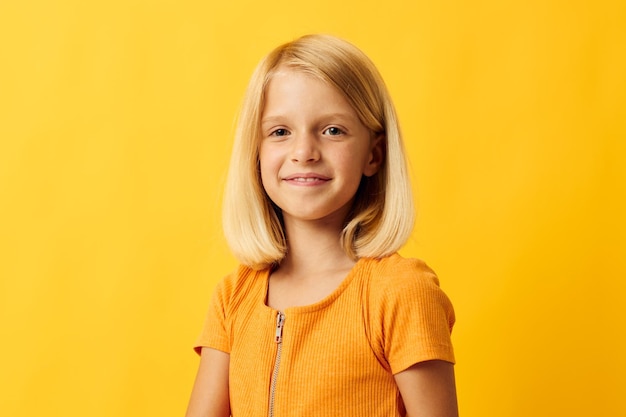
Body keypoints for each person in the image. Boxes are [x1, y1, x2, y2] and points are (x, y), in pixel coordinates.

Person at [185, 34, 458, 417]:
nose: (304, 153)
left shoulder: (400, 292)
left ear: (374, 154)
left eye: (332, 130)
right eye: (280, 132)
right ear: (256, 153)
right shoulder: (234, 297)